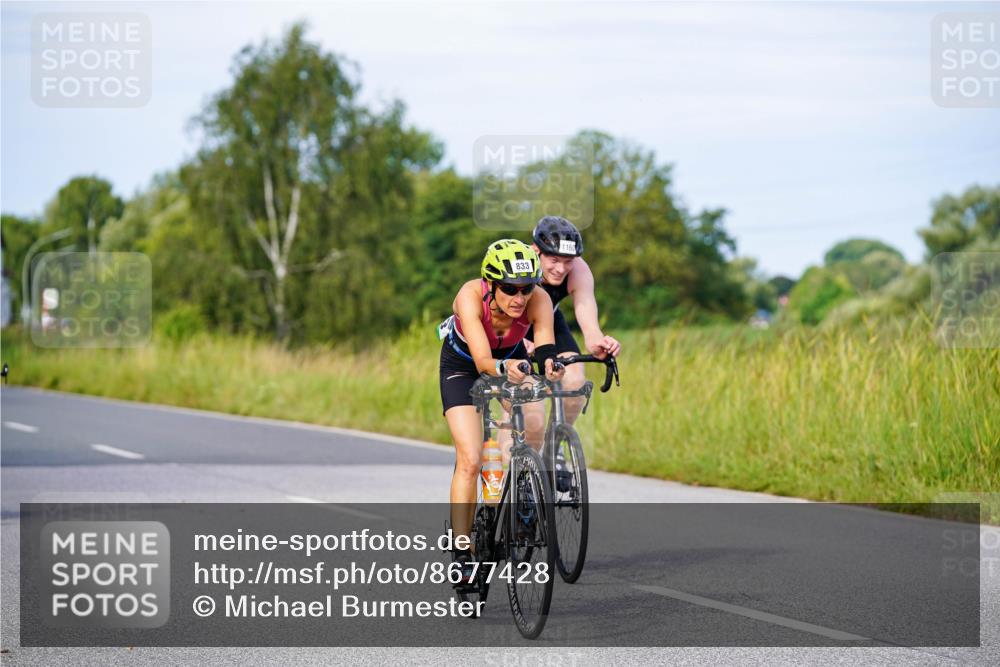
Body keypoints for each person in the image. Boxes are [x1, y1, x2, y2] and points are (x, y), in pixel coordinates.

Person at [439, 239, 565, 582]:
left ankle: (522, 484)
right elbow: (482, 361)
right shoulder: (469, 296)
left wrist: (550, 365)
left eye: (526, 289)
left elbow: (544, 347)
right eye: (509, 289)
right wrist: (505, 369)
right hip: (463, 366)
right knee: (470, 457)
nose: (519, 298)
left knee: (536, 417)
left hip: (511, 361)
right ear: (490, 285)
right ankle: (462, 551)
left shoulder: (538, 299)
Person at [524, 216, 621, 427]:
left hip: (549, 321)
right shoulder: (520, 263)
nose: (561, 269)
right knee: (527, 406)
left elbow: (588, 320)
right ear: (535, 251)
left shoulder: (579, 270)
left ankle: (555, 441)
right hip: (513, 327)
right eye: (554, 260)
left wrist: (600, 344)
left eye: (568, 261)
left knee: (575, 383)